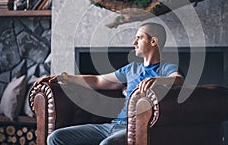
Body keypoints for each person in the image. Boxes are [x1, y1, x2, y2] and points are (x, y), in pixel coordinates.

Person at [44, 22, 184, 145]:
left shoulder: (165, 68)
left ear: (153, 41)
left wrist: (159, 80)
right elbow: (97, 80)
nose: (134, 43)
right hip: (113, 125)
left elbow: (178, 79)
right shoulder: (131, 68)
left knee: (108, 144)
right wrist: (64, 77)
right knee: (56, 138)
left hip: (135, 128)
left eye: (139, 38)